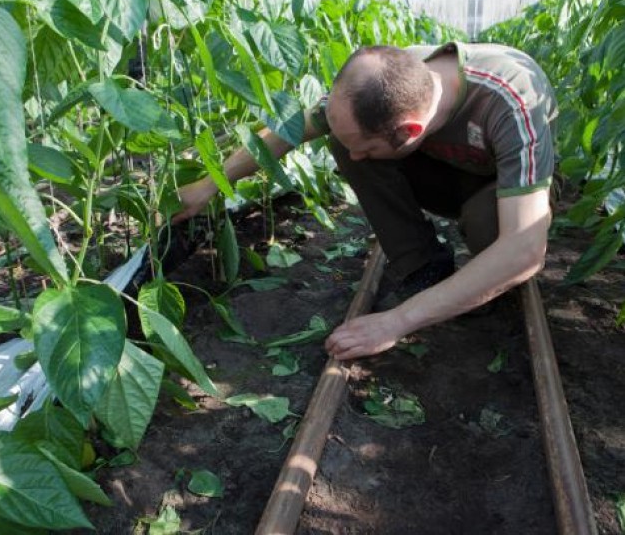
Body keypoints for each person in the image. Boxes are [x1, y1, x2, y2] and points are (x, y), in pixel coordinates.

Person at [173, 41, 558, 362]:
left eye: (367, 147)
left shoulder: (510, 101)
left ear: (410, 131)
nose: (354, 162)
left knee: (488, 227)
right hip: (440, 171)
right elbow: (287, 130)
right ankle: (424, 266)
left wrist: (397, 321)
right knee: (347, 140)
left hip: (498, 192)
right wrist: (210, 184)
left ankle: (473, 282)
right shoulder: (381, 84)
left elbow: (524, 249)